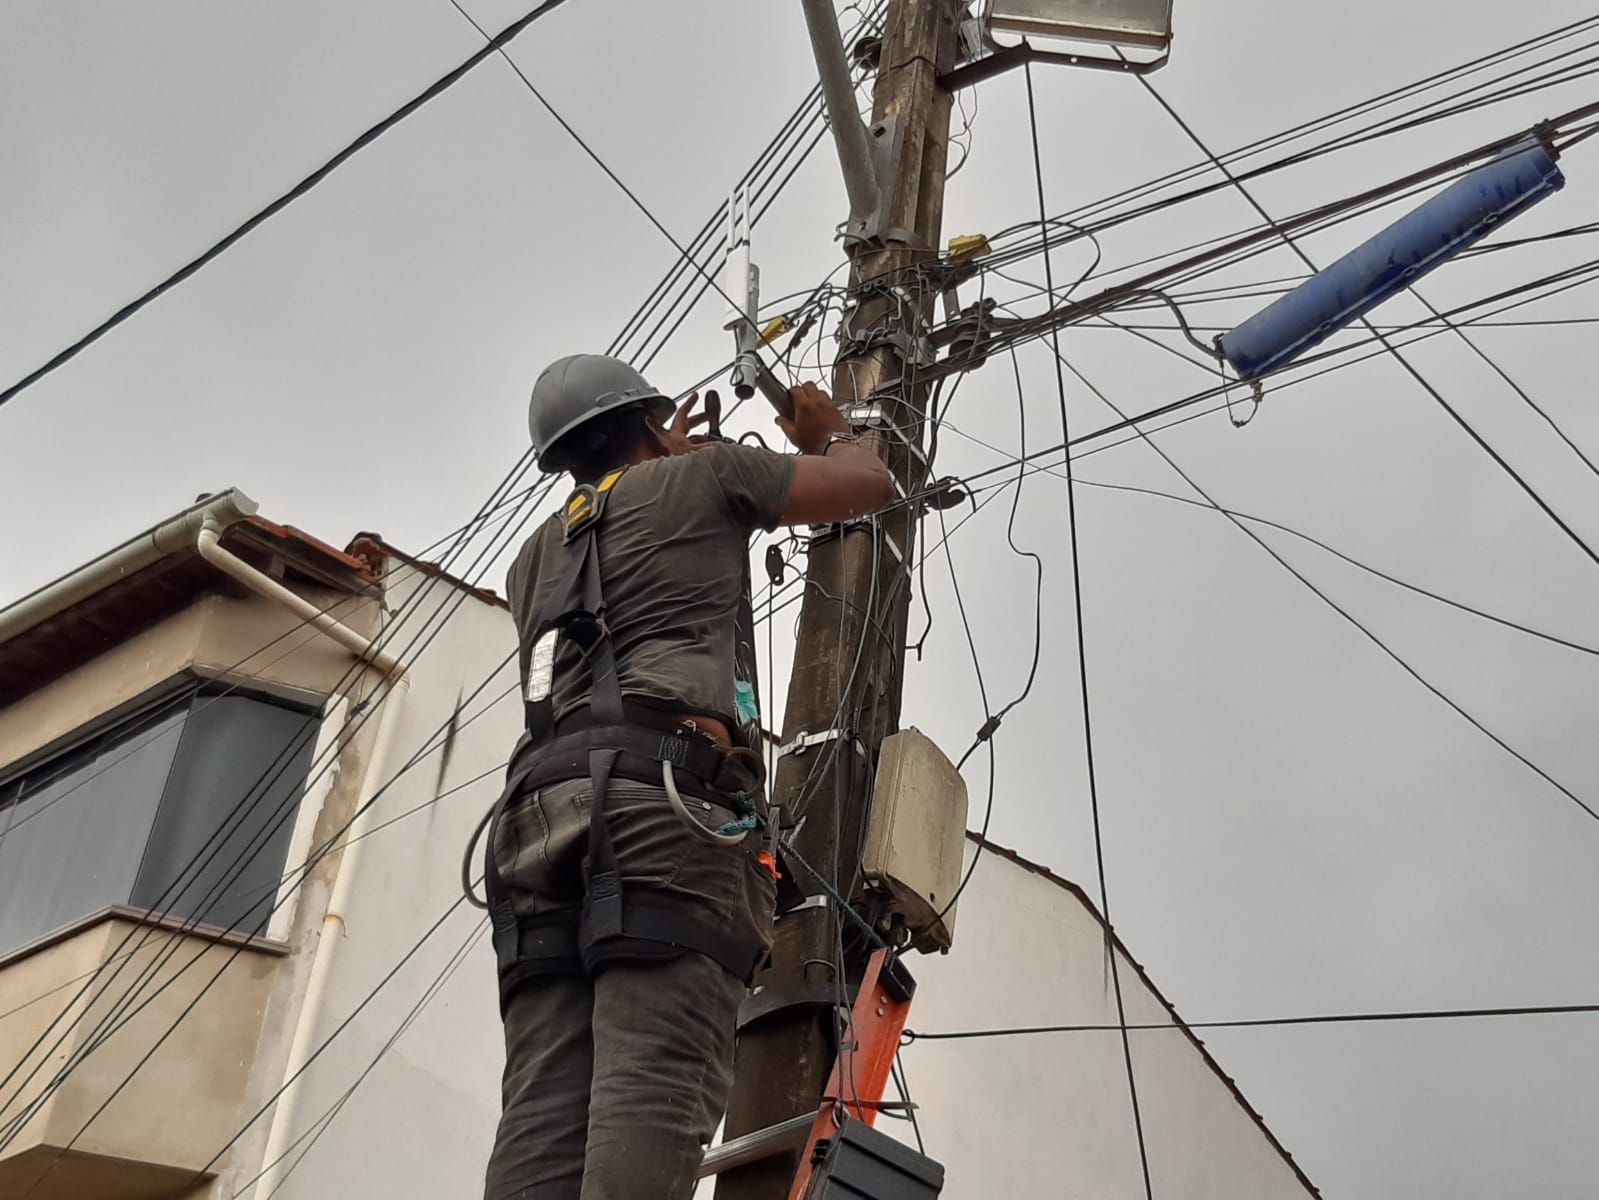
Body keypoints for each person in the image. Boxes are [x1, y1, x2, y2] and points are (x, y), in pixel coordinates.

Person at [480, 353, 895, 1200]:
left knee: (542, 1109)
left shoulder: (531, 559)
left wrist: (673, 457)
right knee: (653, 1083)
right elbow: (867, 485)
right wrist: (833, 433)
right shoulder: (710, 475)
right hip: (663, 806)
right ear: (645, 423)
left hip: (533, 822)